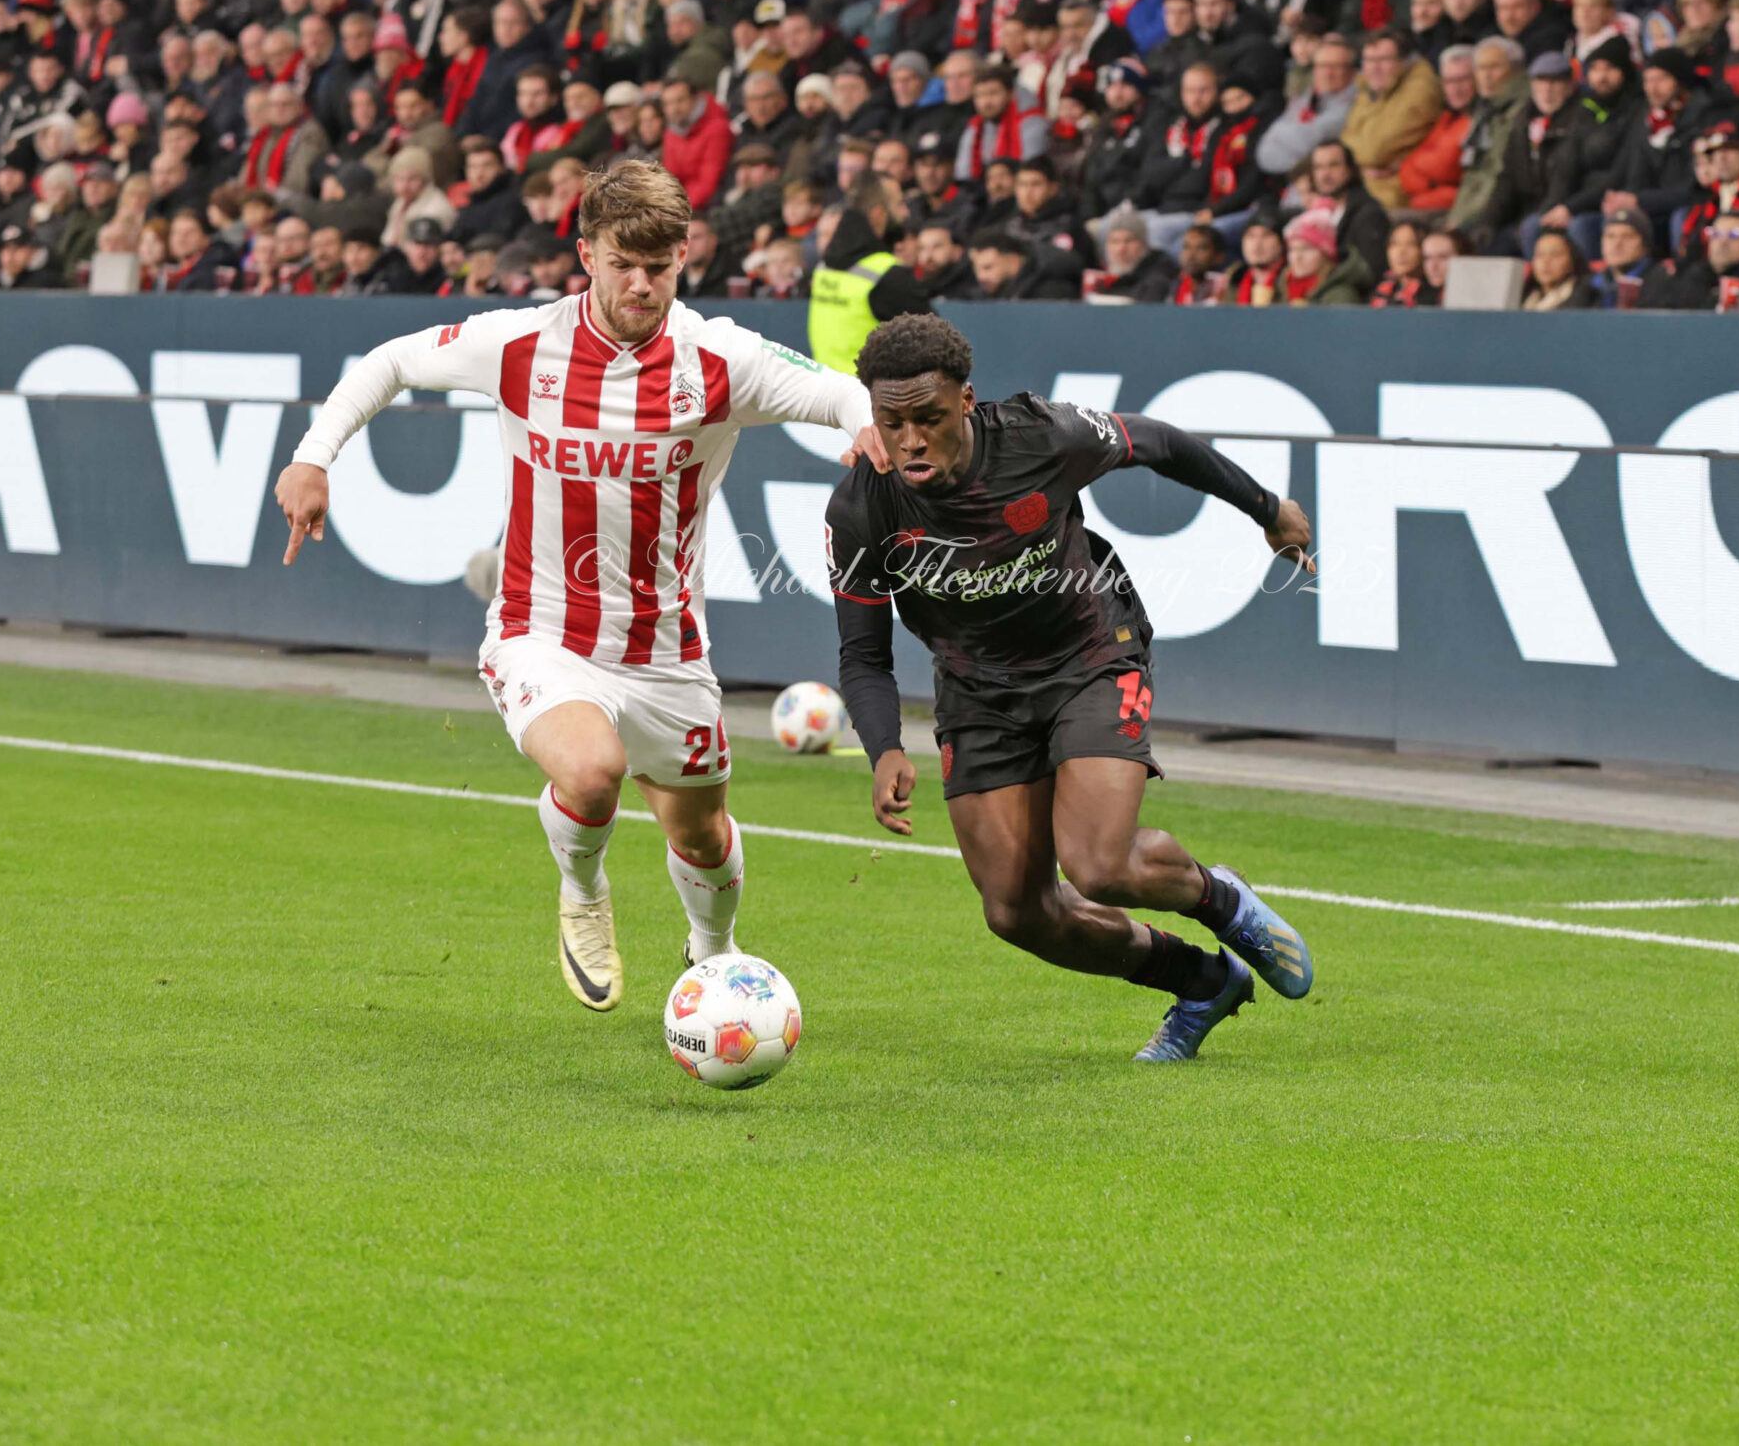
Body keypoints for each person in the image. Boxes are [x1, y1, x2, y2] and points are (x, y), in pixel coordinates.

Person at [272, 161, 891, 1013]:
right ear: (587, 254)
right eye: (622, 263)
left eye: (659, 266)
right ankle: (583, 888)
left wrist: (864, 422)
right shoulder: (522, 344)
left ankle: (712, 955)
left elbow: (836, 390)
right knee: (593, 771)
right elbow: (391, 360)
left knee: (702, 837)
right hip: (542, 630)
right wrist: (314, 456)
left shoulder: (720, 358)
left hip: (668, 650)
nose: (641, 284)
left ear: (684, 258)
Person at [826, 314, 1316, 1062]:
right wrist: (884, 747)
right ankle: (1203, 981)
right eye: (892, 423)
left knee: (1099, 864)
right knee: (1015, 911)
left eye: (929, 418)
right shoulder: (862, 506)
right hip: (977, 695)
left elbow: (1157, 441)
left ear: (966, 401)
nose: (911, 440)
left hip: (1088, 657)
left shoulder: (1039, 437)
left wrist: (1267, 509)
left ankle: (1222, 900)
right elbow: (863, 654)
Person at [807, 172, 937, 372]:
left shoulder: (824, 267)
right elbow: (937, 344)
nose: (906, 213)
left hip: (824, 385)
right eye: (899, 204)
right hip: (868, 390)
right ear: (878, 215)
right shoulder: (888, 275)